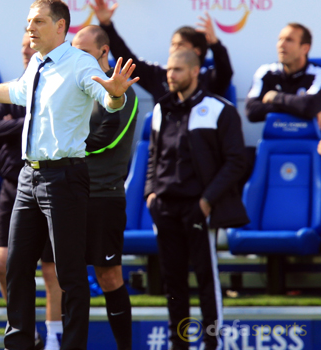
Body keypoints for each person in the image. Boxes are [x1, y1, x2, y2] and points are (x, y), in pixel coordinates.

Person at [0, 1, 138, 349]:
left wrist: (115, 98)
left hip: (65, 178)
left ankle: (73, 345)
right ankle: (19, 343)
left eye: (38, 21)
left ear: (61, 26)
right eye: (27, 22)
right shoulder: (37, 62)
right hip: (28, 177)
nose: (29, 28)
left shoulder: (81, 63)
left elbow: (107, 98)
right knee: (17, 267)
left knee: (69, 273)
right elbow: (17, 91)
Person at [144, 49, 249, 350]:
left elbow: (236, 162)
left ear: (194, 72)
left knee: (206, 280)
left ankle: (212, 344)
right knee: (173, 282)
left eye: (177, 70)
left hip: (199, 208)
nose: (170, 75)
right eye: (168, 70)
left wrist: (206, 201)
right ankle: (179, 344)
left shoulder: (220, 109)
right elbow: (153, 155)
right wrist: (150, 194)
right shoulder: (162, 109)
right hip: (164, 207)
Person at [0, 30, 62, 350]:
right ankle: (23, 329)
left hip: (50, 185)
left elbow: (55, 125)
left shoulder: (58, 85)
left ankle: (55, 336)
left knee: (51, 269)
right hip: (12, 187)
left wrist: (14, 125)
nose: (25, 50)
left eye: (29, 43)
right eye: (21, 46)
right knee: (2, 263)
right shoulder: (14, 88)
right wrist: (27, 122)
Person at [73, 25, 138, 350]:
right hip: (65, 196)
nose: (75, 57)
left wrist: (61, 145)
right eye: (72, 49)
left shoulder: (121, 89)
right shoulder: (68, 86)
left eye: (84, 51)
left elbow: (104, 140)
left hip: (102, 197)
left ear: (104, 51)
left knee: (109, 276)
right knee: (67, 279)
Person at [90, 0, 233, 104]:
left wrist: (215, 44)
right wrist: (107, 26)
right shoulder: (158, 75)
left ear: (197, 51)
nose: (174, 49)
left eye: (181, 45)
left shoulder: (210, 78)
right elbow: (127, 59)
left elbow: (226, 72)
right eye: (173, 44)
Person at [246, 23, 321, 122]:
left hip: (312, 137)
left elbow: (309, 106)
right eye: (280, 39)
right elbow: (251, 111)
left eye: (289, 40)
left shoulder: (317, 74)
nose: (281, 45)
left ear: (305, 48)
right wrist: (297, 106)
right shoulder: (266, 72)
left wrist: (275, 97)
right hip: (274, 136)